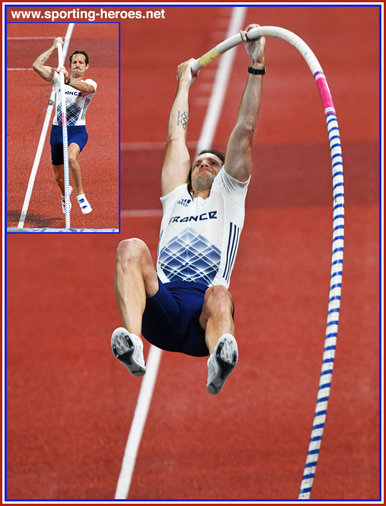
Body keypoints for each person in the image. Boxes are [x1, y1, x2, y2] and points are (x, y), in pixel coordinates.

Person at [111, 24, 265, 394]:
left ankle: (218, 362)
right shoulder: (175, 196)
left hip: (203, 321)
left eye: (214, 162)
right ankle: (132, 342)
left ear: (225, 173)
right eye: (200, 161)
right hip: (161, 312)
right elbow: (175, 138)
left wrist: (257, 65)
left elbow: (244, 129)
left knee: (219, 295)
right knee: (131, 247)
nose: (204, 164)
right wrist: (184, 82)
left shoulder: (228, 197)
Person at [32, 37, 97, 215]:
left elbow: (85, 88)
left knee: (71, 158)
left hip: (77, 131)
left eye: (81, 62)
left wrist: (66, 80)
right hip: (57, 131)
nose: (77, 64)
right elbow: (36, 66)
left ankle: (81, 195)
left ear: (86, 67)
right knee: (59, 177)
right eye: (74, 62)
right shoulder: (58, 78)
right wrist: (53, 47)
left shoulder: (90, 83)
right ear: (70, 64)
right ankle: (64, 195)